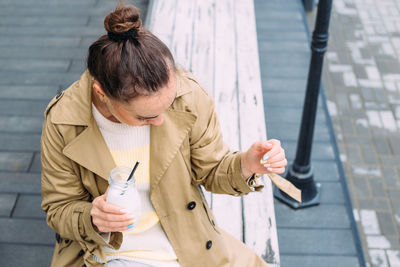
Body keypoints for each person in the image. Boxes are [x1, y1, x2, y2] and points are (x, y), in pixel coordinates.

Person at [41, 4, 287, 267]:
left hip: (185, 241)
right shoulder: (63, 121)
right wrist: (92, 217)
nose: (159, 121)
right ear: (101, 93)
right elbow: (59, 208)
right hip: (107, 251)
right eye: (145, 117)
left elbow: (211, 170)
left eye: (167, 107)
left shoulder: (189, 96)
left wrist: (246, 165)